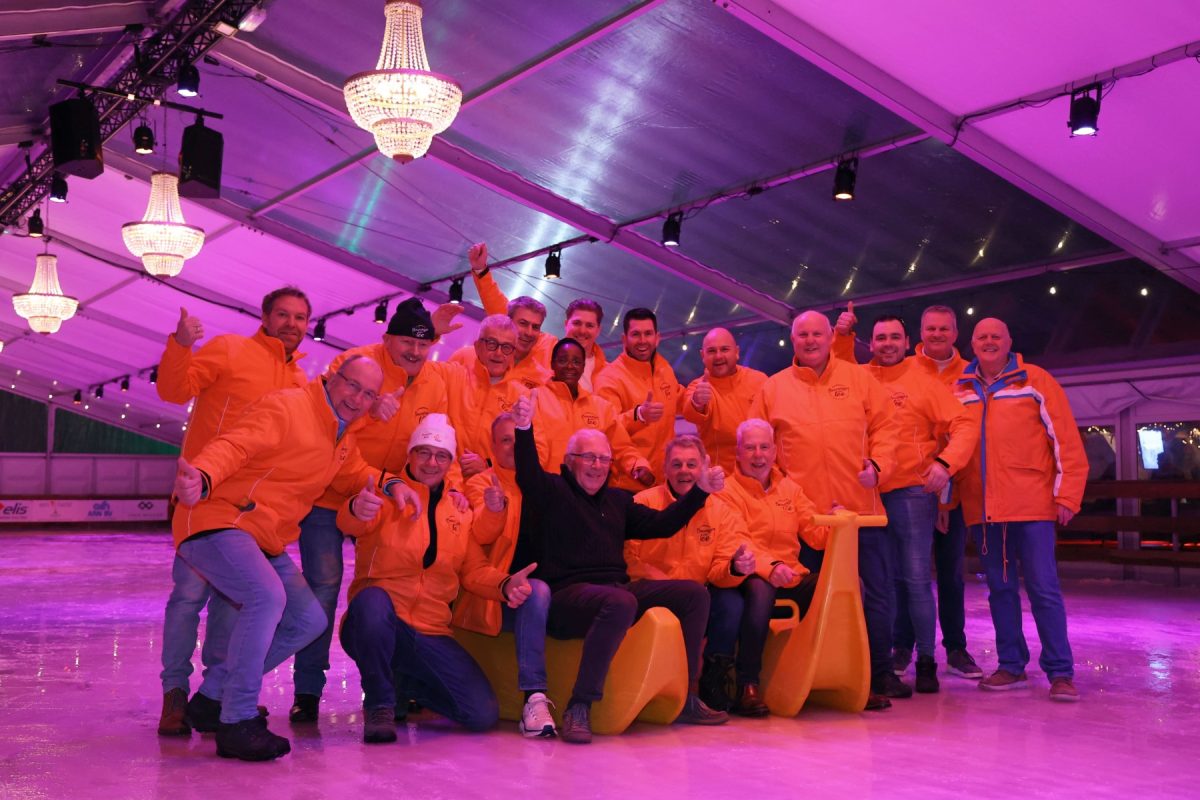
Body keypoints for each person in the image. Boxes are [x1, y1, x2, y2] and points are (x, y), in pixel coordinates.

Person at [171, 355, 415, 760]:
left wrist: (392, 484)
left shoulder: (341, 436)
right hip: (219, 517)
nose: (357, 399)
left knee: (308, 620)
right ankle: (237, 720)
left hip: (262, 536)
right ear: (333, 377)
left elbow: (355, 472)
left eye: (369, 394)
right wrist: (203, 475)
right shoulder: (288, 406)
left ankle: (213, 698)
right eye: (352, 385)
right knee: (266, 596)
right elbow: (235, 444)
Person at [288, 297, 471, 724]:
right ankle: (308, 689)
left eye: (422, 344)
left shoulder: (435, 382)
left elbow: (444, 440)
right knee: (324, 586)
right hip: (333, 493)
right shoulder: (358, 365)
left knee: (395, 587)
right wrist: (370, 413)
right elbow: (325, 420)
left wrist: (455, 489)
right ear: (387, 338)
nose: (414, 351)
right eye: (406, 342)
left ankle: (395, 684)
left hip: (394, 497)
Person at [511, 392, 729, 743]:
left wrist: (700, 491)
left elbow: (663, 524)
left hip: (615, 593)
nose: (597, 465)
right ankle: (580, 705)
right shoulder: (552, 490)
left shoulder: (617, 501)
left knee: (694, 594)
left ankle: (687, 695)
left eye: (604, 459)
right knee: (621, 601)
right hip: (566, 599)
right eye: (589, 457)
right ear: (569, 461)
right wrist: (523, 428)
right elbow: (527, 474)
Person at [154, 287, 311, 736]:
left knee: (236, 603)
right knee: (188, 599)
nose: (291, 324)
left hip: (251, 516)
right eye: (283, 314)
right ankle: (174, 693)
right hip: (201, 500)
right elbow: (174, 389)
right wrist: (181, 344)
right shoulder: (230, 350)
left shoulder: (300, 382)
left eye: (300, 317)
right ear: (265, 315)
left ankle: (216, 691)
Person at [337, 414, 539, 743]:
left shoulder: (458, 511)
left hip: (429, 631)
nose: (432, 462)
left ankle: (403, 681)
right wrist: (357, 508)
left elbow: (473, 570)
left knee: (481, 713)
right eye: (424, 452)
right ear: (410, 454)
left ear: (450, 462)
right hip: (375, 623)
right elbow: (350, 523)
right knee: (373, 601)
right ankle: (379, 704)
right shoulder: (385, 497)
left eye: (441, 455)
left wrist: (505, 585)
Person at [751, 310, 900, 709]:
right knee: (813, 599)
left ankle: (878, 671)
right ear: (793, 340)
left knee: (874, 596)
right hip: (805, 519)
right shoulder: (773, 388)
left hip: (860, 514)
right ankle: (810, 672)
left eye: (817, 333)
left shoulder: (859, 379)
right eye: (803, 335)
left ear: (831, 336)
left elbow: (888, 427)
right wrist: (784, 491)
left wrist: (879, 466)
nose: (811, 341)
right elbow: (758, 447)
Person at [834, 302, 984, 679]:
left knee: (916, 579)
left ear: (906, 342)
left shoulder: (923, 382)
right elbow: (833, 369)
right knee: (879, 582)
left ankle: (927, 659)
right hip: (867, 492)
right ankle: (888, 655)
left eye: (895, 337)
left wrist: (946, 464)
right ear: (871, 343)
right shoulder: (860, 377)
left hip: (910, 492)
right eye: (880, 338)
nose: (887, 344)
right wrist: (842, 335)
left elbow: (965, 423)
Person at [956, 318, 1087, 702]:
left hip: (1032, 506)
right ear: (973, 345)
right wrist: (947, 501)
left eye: (996, 336)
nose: (989, 342)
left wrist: (1067, 495)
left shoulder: (1035, 380)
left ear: (1009, 341)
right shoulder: (959, 389)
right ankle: (1011, 665)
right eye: (982, 337)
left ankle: (1060, 672)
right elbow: (951, 448)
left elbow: (1065, 440)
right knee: (1000, 591)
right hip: (985, 510)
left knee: (1044, 589)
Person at [624, 435, 756, 712]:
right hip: (649, 594)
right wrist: (663, 584)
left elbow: (720, 571)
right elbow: (626, 556)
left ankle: (713, 680)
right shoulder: (643, 501)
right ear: (665, 468)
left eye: (691, 464)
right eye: (677, 464)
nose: (684, 471)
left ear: (703, 468)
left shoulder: (721, 511)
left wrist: (735, 568)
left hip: (698, 601)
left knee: (731, 602)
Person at [708, 419, 830, 716]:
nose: (758, 455)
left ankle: (827, 672)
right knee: (761, 588)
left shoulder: (790, 488)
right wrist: (770, 566)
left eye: (764, 447)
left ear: (774, 452)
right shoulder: (726, 491)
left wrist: (835, 522)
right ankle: (748, 684)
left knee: (843, 587)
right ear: (738, 453)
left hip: (790, 575)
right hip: (746, 574)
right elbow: (737, 539)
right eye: (750, 448)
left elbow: (816, 535)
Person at [451, 413, 557, 738]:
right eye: (506, 440)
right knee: (536, 591)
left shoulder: (547, 485)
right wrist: (494, 509)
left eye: (519, 439)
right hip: (498, 598)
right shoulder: (480, 484)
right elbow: (479, 537)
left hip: (549, 593)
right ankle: (534, 697)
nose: (514, 446)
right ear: (493, 447)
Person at [467, 242, 608, 389]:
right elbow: (502, 312)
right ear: (566, 324)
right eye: (577, 323)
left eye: (589, 325)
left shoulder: (606, 372)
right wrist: (481, 271)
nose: (582, 330)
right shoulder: (547, 346)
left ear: (598, 330)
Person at [531, 337, 652, 484]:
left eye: (576, 362)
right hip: (549, 488)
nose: (570, 366)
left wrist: (638, 465)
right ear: (552, 364)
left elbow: (621, 446)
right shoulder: (535, 399)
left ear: (583, 367)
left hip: (590, 491)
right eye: (563, 360)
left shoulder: (601, 408)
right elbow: (532, 450)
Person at [594, 308, 682, 491]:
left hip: (665, 482)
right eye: (636, 334)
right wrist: (638, 415)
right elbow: (606, 427)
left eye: (648, 334)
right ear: (624, 339)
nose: (643, 341)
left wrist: (698, 397)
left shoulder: (664, 369)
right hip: (628, 483)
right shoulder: (609, 377)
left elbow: (680, 398)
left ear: (657, 338)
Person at [682, 327, 768, 474]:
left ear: (737, 352)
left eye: (724, 349)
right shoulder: (698, 386)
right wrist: (697, 401)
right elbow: (690, 412)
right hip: (721, 479)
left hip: (762, 475)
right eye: (711, 351)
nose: (718, 356)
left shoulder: (759, 380)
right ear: (702, 356)